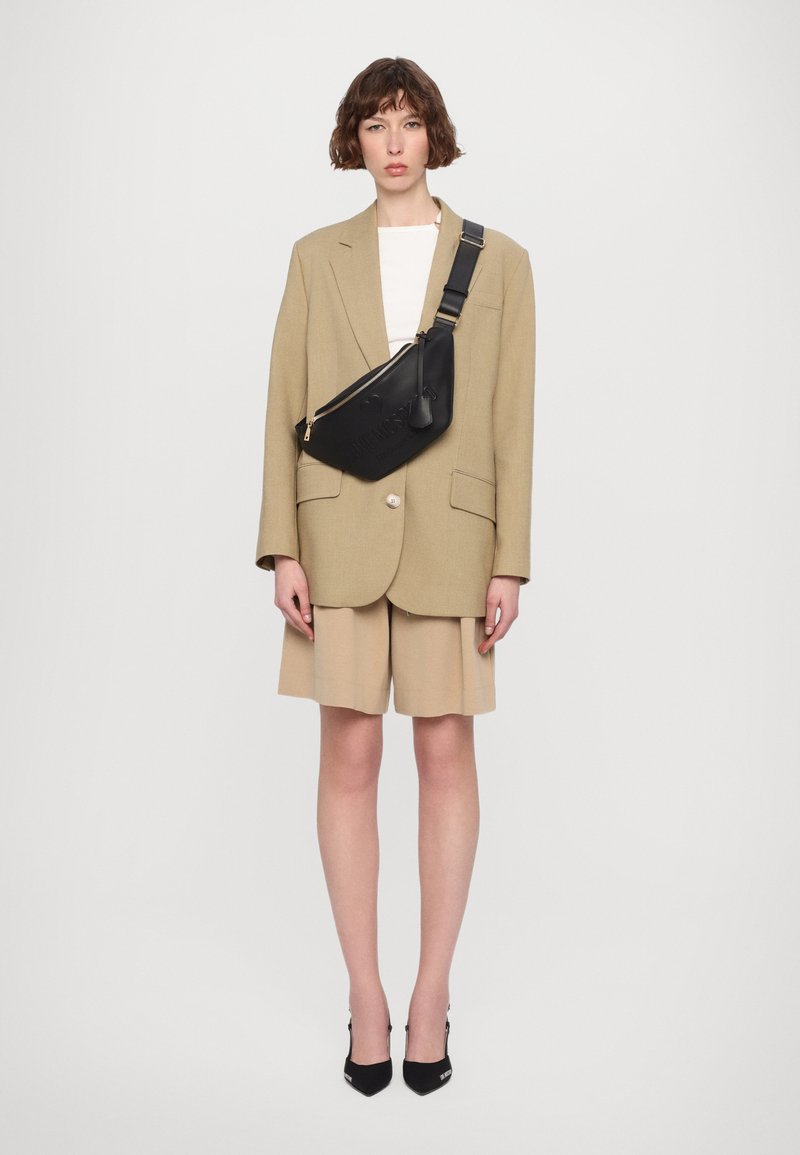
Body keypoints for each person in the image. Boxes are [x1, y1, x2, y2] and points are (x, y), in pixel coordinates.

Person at [255, 57, 535, 1096]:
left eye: (408, 122)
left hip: (453, 542)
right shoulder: (313, 257)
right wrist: (282, 542)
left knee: (446, 751)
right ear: (354, 140)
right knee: (349, 752)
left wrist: (509, 557)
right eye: (374, 124)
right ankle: (364, 994)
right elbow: (284, 400)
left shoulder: (499, 262)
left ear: (434, 135)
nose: (393, 142)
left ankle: (430, 993)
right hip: (333, 536)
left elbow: (512, 415)